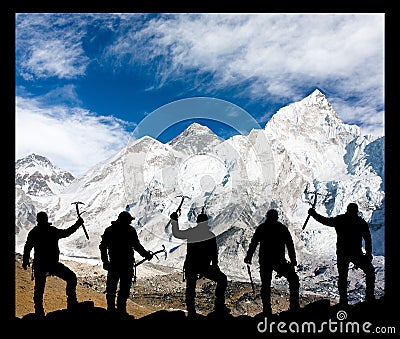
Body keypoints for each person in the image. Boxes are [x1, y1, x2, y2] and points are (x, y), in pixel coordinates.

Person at [307, 203, 375, 305]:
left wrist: (313, 214)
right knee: (370, 271)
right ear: (356, 211)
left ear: (347, 210)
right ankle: (369, 297)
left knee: (342, 277)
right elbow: (368, 239)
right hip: (356, 253)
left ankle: (343, 301)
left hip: (343, 253)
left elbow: (326, 221)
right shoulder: (360, 222)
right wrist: (368, 254)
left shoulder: (340, 219)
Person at [22, 211, 84, 317]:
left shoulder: (34, 232)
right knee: (71, 277)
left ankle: (39, 313)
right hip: (52, 264)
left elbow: (27, 247)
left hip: (40, 265)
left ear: (37, 220)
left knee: (39, 290)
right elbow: (66, 233)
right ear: (46, 219)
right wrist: (78, 224)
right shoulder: (52, 231)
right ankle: (72, 303)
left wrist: (25, 261)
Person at [170, 211, 229, 318]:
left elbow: (177, 234)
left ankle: (191, 311)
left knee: (190, 288)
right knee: (222, 279)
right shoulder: (210, 236)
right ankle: (219, 306)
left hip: (191, 265)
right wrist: (215, 266)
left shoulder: (192, 232)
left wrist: (174, 221)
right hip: (204, 266)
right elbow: (214, 254)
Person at [244, 209, 300, 315]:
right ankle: (294, 306)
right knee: (293, 279)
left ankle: (267, 311)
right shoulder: (282, 229)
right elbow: (290, 245)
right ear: (276, 217)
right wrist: (293, 260)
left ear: (267, 217)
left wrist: (249, 256)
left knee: (265, 285)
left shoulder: (262, 228)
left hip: (265, 261)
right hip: (279, 261)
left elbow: (254, 243)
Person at [99, 211, 153, 314]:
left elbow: (102, 247)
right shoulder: (130, 230)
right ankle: (121, 311)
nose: (130, 222)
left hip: (114, 264)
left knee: (112, 288)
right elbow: (137, 246)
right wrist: (146, 255)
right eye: (129, 220)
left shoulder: (110, 230)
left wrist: (105, 261)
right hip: (126, 265)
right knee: (124, 289)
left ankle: (111, 310)